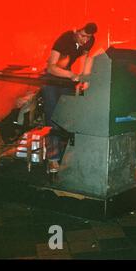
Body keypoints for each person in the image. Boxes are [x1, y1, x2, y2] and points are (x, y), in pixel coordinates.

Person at [42, 22, 98, 174]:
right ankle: (53, 160)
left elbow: (86, 58)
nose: (85, 40)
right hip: (51, 79)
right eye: (82, 36)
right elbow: (51, 67)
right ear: (76, 30)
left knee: (67, 117)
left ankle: (66, 157)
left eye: (88, 37)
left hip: (67, 77)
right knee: (53, 117)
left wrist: (83, 78)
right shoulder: (64, 39)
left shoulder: (89, 41)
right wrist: (71, 75)